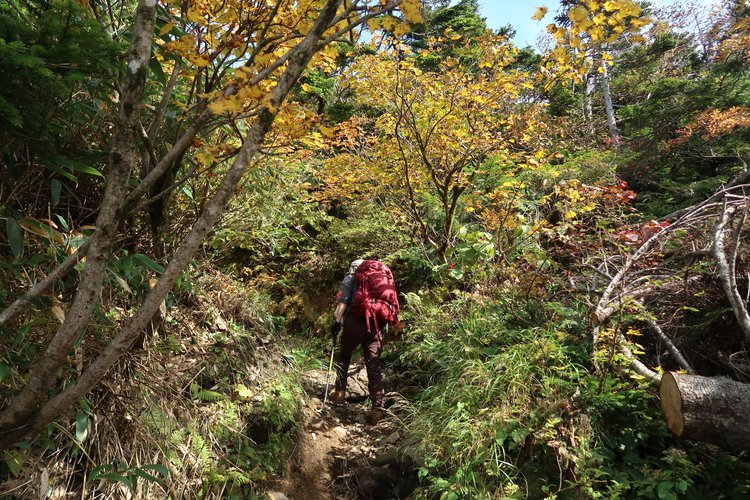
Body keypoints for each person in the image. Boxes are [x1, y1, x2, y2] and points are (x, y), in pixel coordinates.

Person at [328, 259, 386, 424]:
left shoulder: (350, 278)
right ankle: (377, 409)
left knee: (344, 356)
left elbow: (344, 302)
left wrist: (337, 323)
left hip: (355, 322)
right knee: (374, 367)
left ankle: (339, 393)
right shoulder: (380, 281)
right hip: (376, 326)